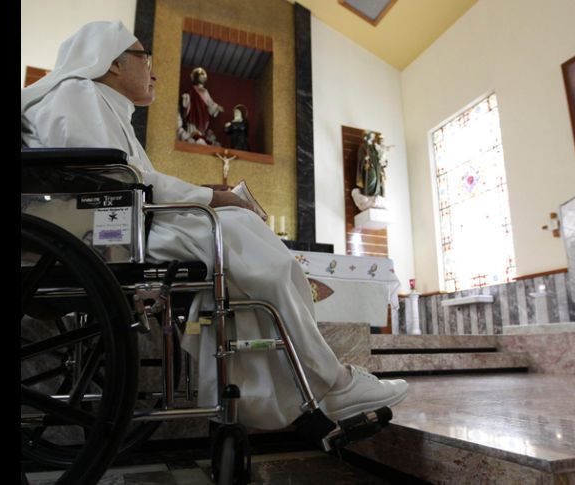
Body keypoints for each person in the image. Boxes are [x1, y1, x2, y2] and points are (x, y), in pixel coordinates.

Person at [20, 21, 408, 430]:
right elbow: (118, 180)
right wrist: (214, 196)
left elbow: (125, 179)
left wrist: (205, 194)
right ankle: (327, 383)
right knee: (245, 238)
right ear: (113, 62)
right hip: (109, 233)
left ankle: (287, 391)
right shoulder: (76, 93)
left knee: (245, 245)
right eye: (145, 58)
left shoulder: (95, 100)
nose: (153, 70)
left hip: (119, 225)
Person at [179, 67, 224, 145]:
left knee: (202, 130)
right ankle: (193, 135)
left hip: (203, 113)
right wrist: (186, 97)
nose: (202, 78)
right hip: (194, 112)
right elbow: (188, 97)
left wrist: (216, 107)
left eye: (203, 77)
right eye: (200, 76)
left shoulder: (205, 91)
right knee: (193, 128)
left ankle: (200, 136)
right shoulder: (192, 90)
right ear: (196, 78)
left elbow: (210, 102)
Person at [352, 131, 388, 211]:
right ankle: (368, 193)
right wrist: (365, 159)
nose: (372, 138)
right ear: (367, 137)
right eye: (371, 137)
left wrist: (383, 159)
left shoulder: (374, 147)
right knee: (373, 177)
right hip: (368, 167)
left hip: (376, 167)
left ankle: (376, 195)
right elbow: (360, 158)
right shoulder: (363, 147)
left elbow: (379, 157)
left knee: (379, 180)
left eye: (373, 137)